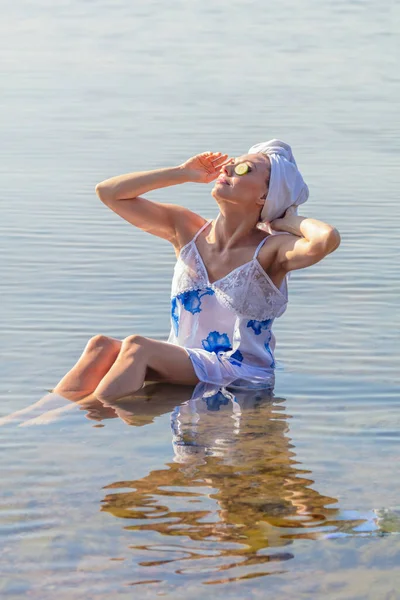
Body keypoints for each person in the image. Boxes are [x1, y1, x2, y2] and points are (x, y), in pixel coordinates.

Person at [52, 139, 340, 402]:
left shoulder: (271, 251)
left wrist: (284, 220)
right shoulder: (186, 229)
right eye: (231, 163)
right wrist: (183, 173)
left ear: (265, 195)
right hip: (186, 360)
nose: (228, 167)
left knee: (137, 347)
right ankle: (35, 416)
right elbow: (110, 192)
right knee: (101, 346)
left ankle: (75, 419)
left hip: (242, 373)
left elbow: (325, 239)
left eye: (243, 168)